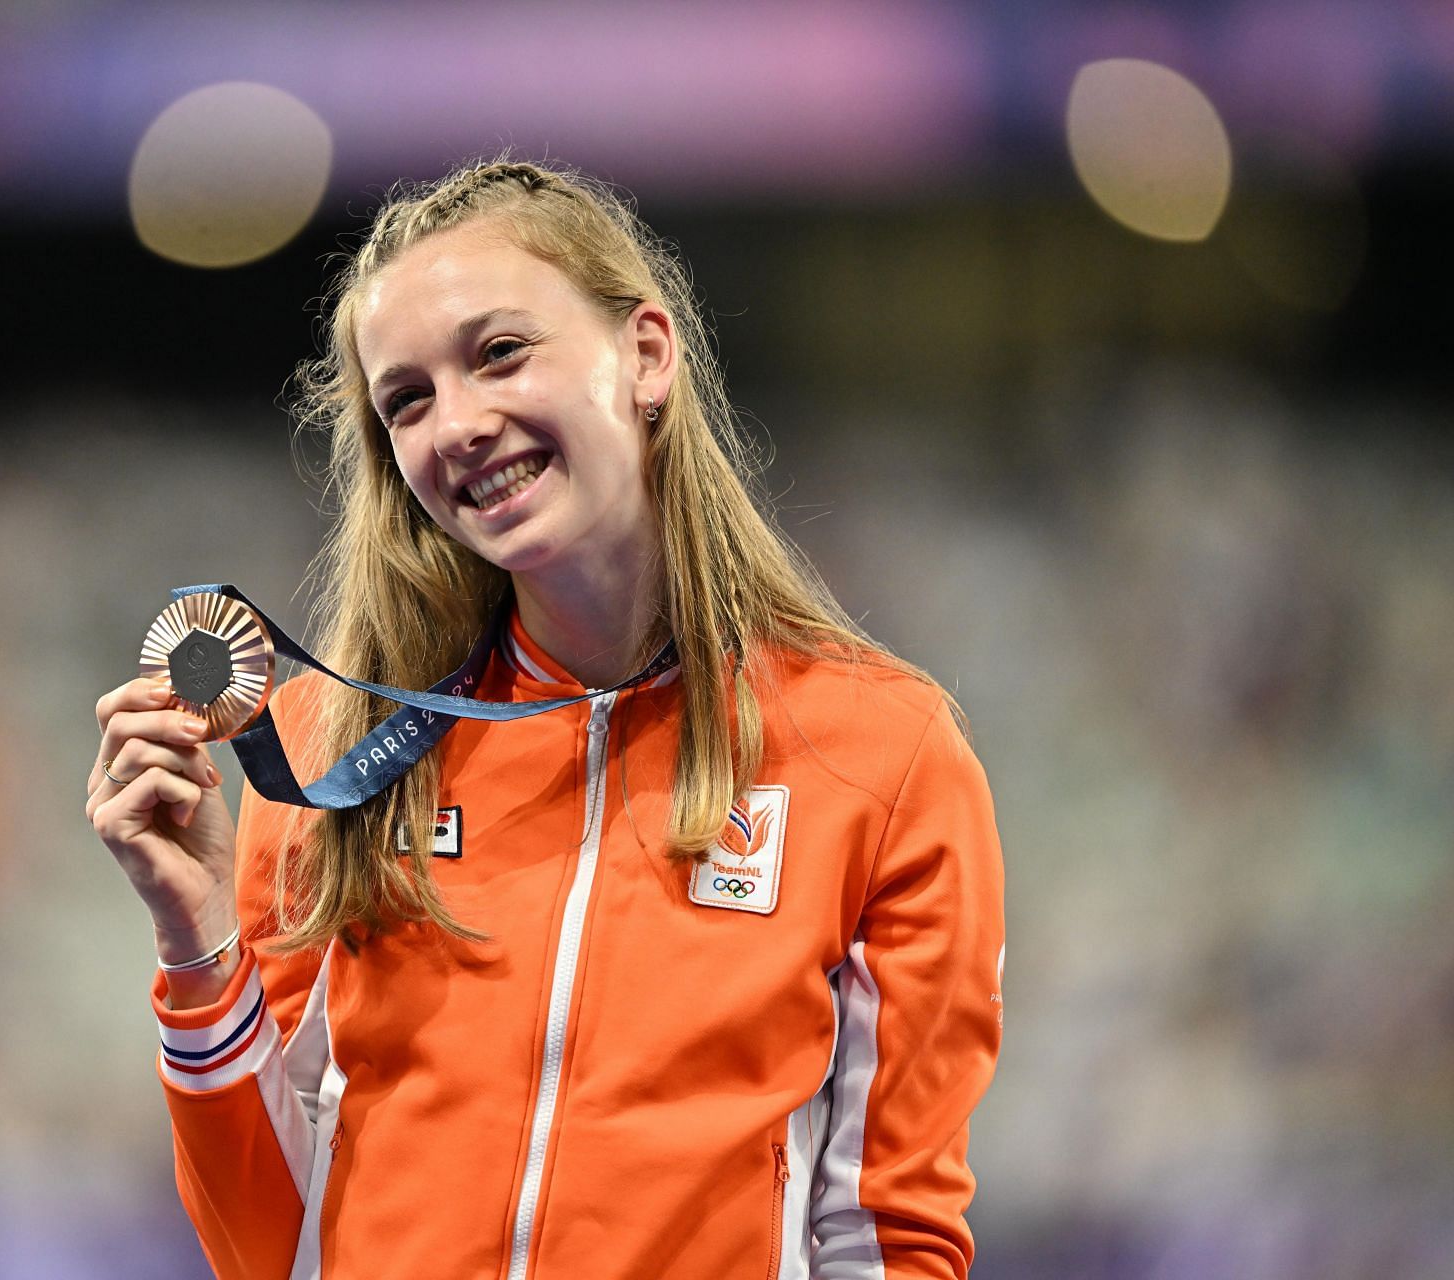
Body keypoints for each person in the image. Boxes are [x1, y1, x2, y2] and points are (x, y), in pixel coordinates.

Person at [85, 157, 1005, 1280]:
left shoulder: (882, 756)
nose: (458, 425)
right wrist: (196, 946)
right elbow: (265, 1245)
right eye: (408, 400)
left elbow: (890, 1237)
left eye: (499, 352)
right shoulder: (332, 753)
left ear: (646, 356)